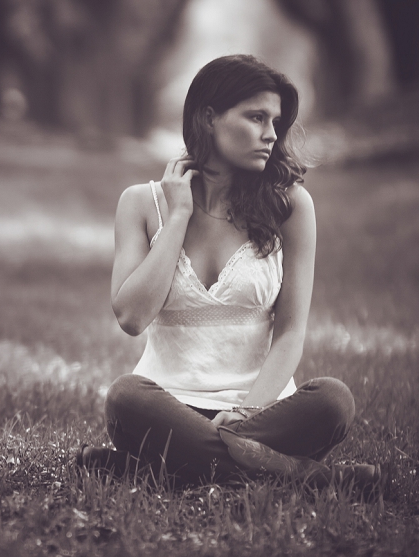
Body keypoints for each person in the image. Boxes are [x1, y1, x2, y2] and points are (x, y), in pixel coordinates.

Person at [77, 55, 382, 497]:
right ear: (208, 117)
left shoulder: (291, 207)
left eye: (275, 121)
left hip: (263, 413)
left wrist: (247, 411)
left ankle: (153, 466)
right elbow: (131, 317)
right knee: (125, 397)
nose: (271, 134)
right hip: (167, 408)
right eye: (256, 117)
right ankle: (308, 478)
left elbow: (292, 332)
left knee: (334, 400)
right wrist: (178, 215)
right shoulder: (141, 204)